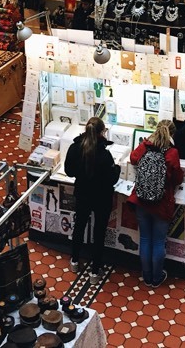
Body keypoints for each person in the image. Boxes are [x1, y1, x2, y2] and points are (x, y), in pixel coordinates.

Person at [64, 116, 120, 283]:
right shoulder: (104, 155)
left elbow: (69, 171)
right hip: (102, 197)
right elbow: (112, 179)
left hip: (82, 193)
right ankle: (95, 272)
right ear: (102, 132)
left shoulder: (75, 148)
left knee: (79, 226)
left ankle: (74, 260)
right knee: (99, 232)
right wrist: (116, 169)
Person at [129, 119, 182, 288]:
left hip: (141, 201)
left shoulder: (145, 146)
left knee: (145, 239)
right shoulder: (172, 153)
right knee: (159, 242)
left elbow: (133, 158)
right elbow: (177, 178)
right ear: (172, 134)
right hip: (161, 203)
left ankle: (146, 276)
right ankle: (156, 277)